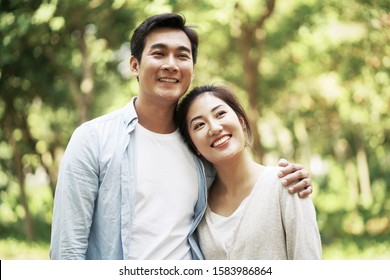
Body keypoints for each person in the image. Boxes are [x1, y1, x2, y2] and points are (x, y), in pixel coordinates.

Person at [50, 13, 314, 260]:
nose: (170, 65)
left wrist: (289, 179)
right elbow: (68, 249)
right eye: (159, 53)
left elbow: (241, 180)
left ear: (192, 68)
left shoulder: (200, 147)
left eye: (182, 56)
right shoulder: (93, 139)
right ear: (134, 65)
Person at [175, 84, 322, 259]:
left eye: (220, 114)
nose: (214, 128)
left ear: (242, 122)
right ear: (194, 146)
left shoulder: (286, 184)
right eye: (199, 125)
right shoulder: (198, 207)